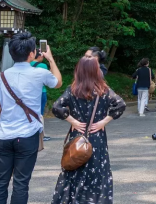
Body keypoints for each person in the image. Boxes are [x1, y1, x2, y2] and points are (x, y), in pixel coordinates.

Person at [0, 32, 62, 204]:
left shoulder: (0, 77)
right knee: (21, 184)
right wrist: (50, 59)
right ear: (31, 54)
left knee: (0, 182)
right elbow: (57, 82)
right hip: (28, 136)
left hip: (5, 136)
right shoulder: (39, 74)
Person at [51, 57, 126, 203]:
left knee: (74, 168)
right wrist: (103, 122)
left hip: (77, 138)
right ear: (96, 71)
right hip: (96, 138)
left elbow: (56, 107)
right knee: (97, 173)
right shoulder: (104, 90)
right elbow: (120, 104)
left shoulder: (72, 90)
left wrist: (73, 121)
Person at [29, 53, 52, 142]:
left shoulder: (27, 65)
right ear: (39, 56)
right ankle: (41, 134)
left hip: (30, 93)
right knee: (40, 114)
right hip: (41, 92)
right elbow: (49, 79)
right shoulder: (43, 66)